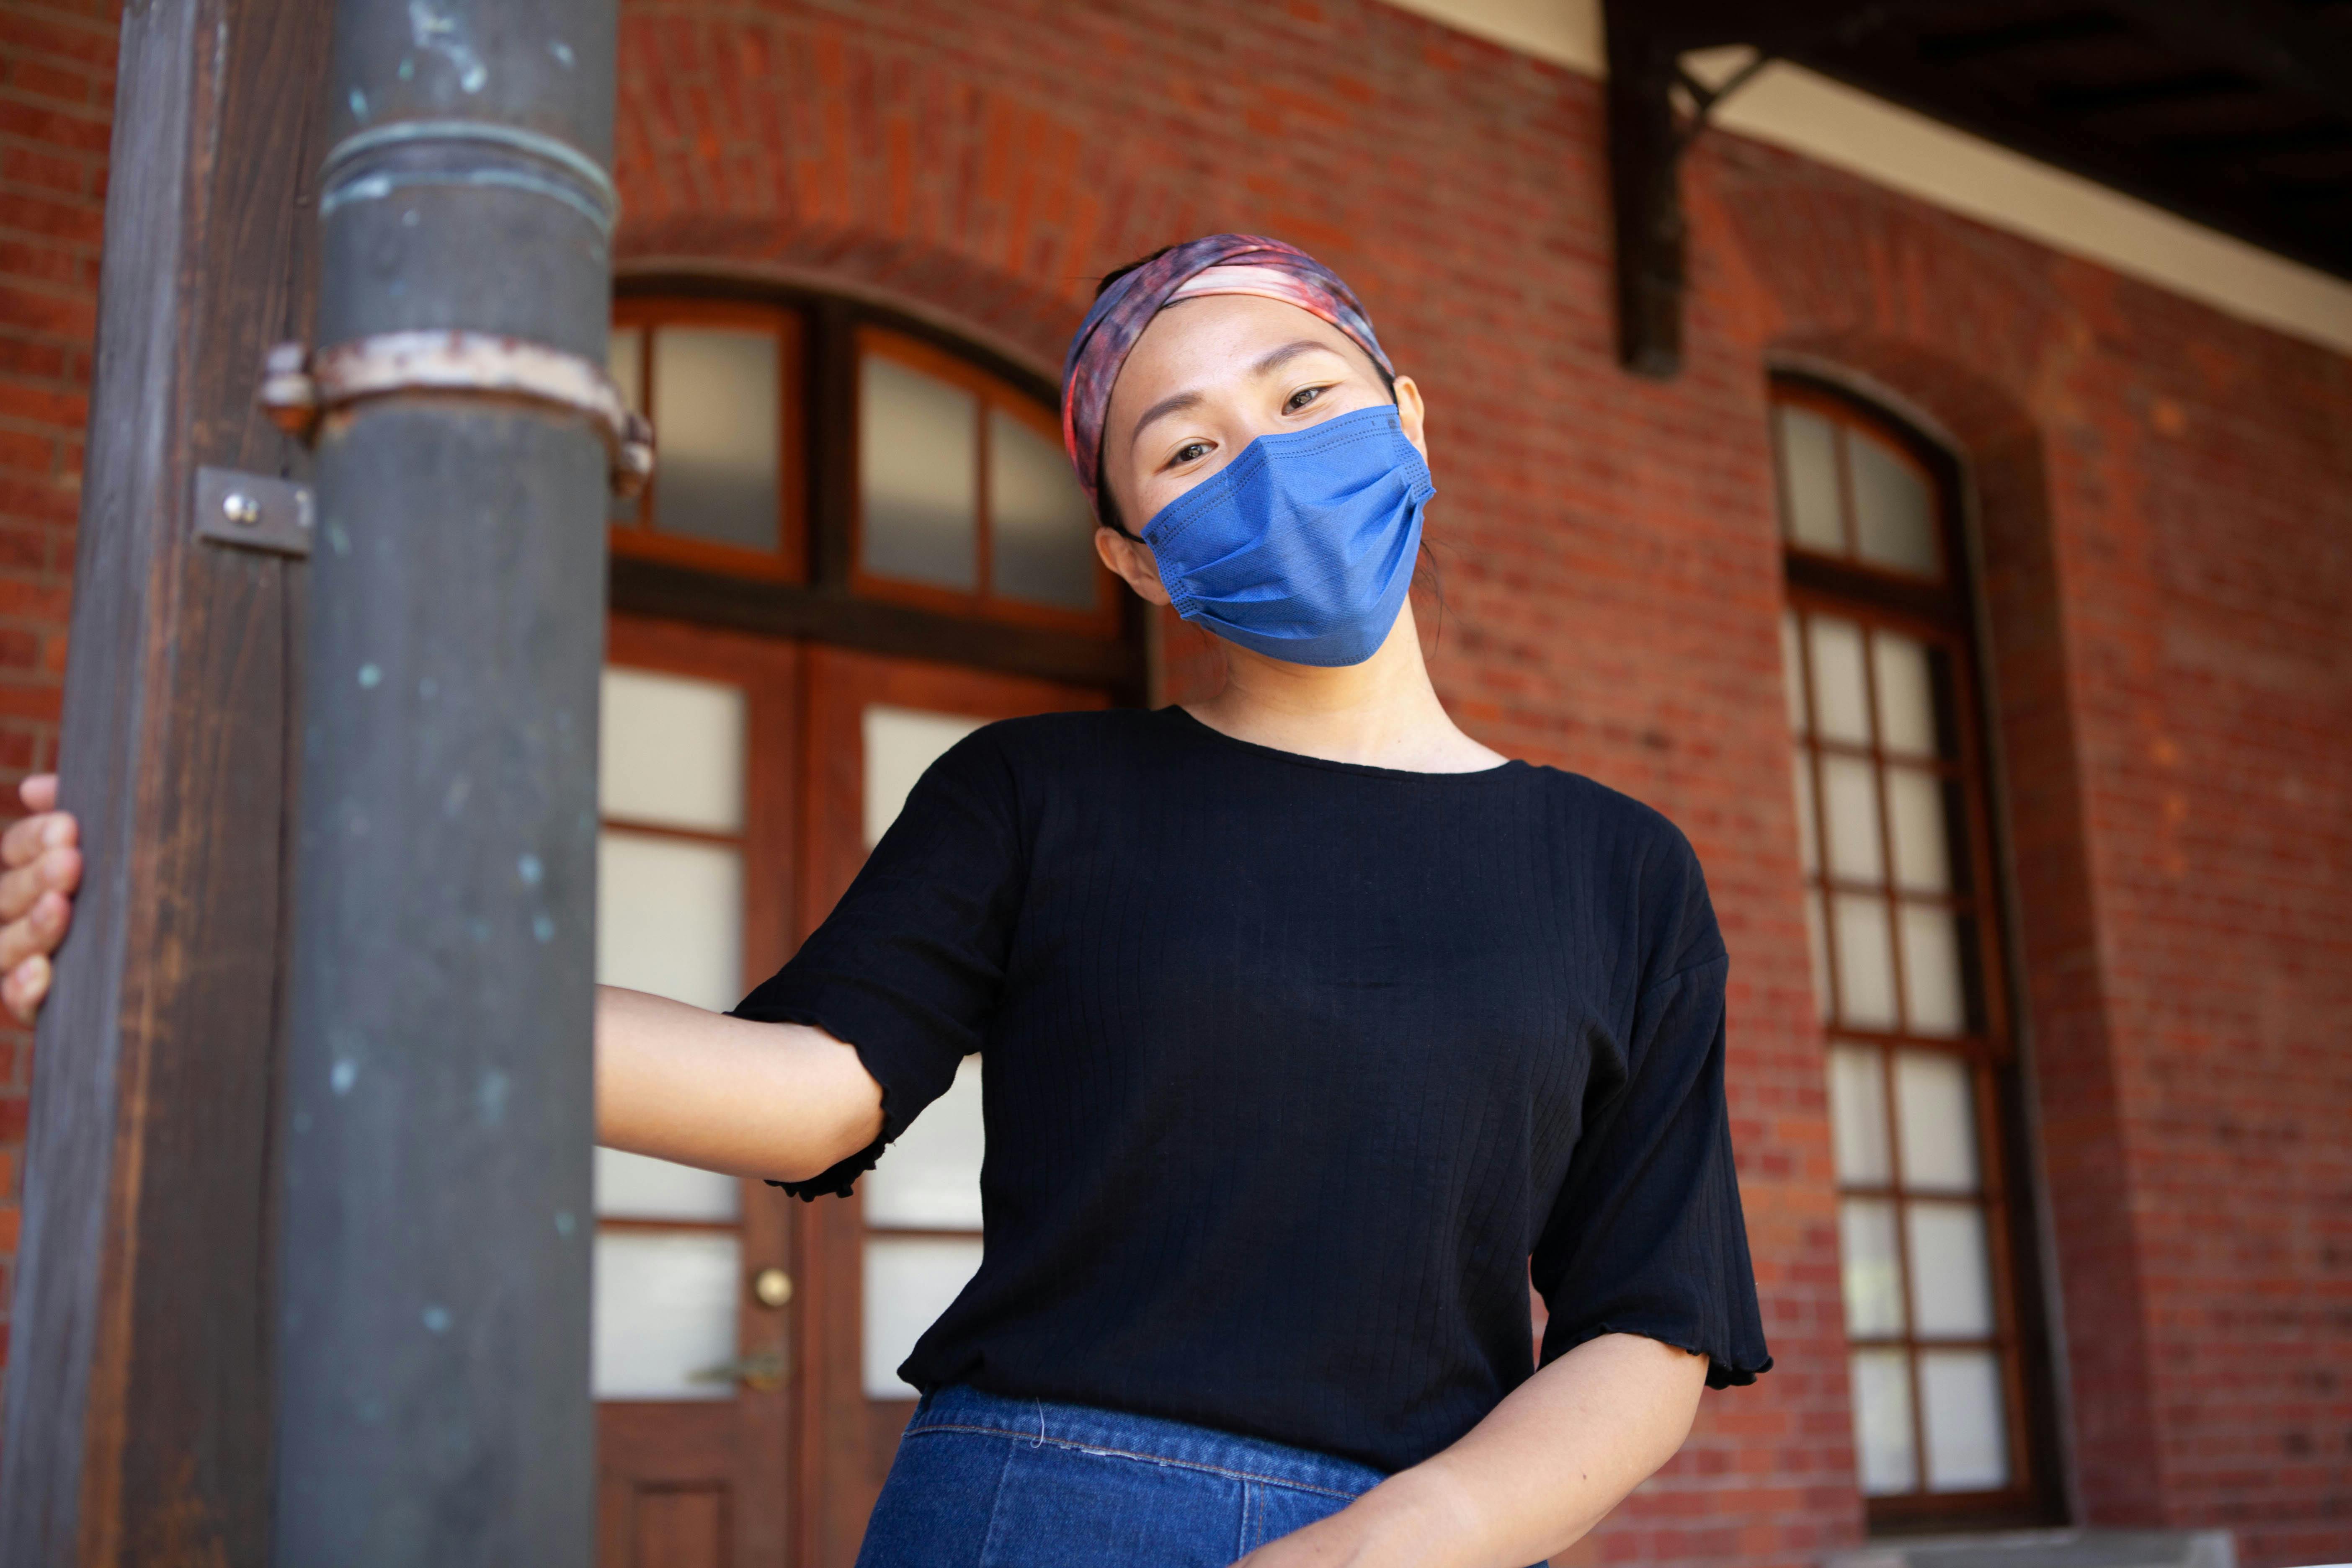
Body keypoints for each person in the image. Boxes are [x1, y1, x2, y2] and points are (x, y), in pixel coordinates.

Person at [2, 235, 1769, 1567]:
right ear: (1136, 556)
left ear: (1409, 421)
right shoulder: (1041, 793)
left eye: (1305, 396)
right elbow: (807, 1096)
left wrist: (1403, 1541)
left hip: (1429, 1542)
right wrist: (267, 947)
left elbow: (1648, 1322)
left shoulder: (1620, 869)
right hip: (1033, 1510)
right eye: (1186, 448)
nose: (1265, 456)